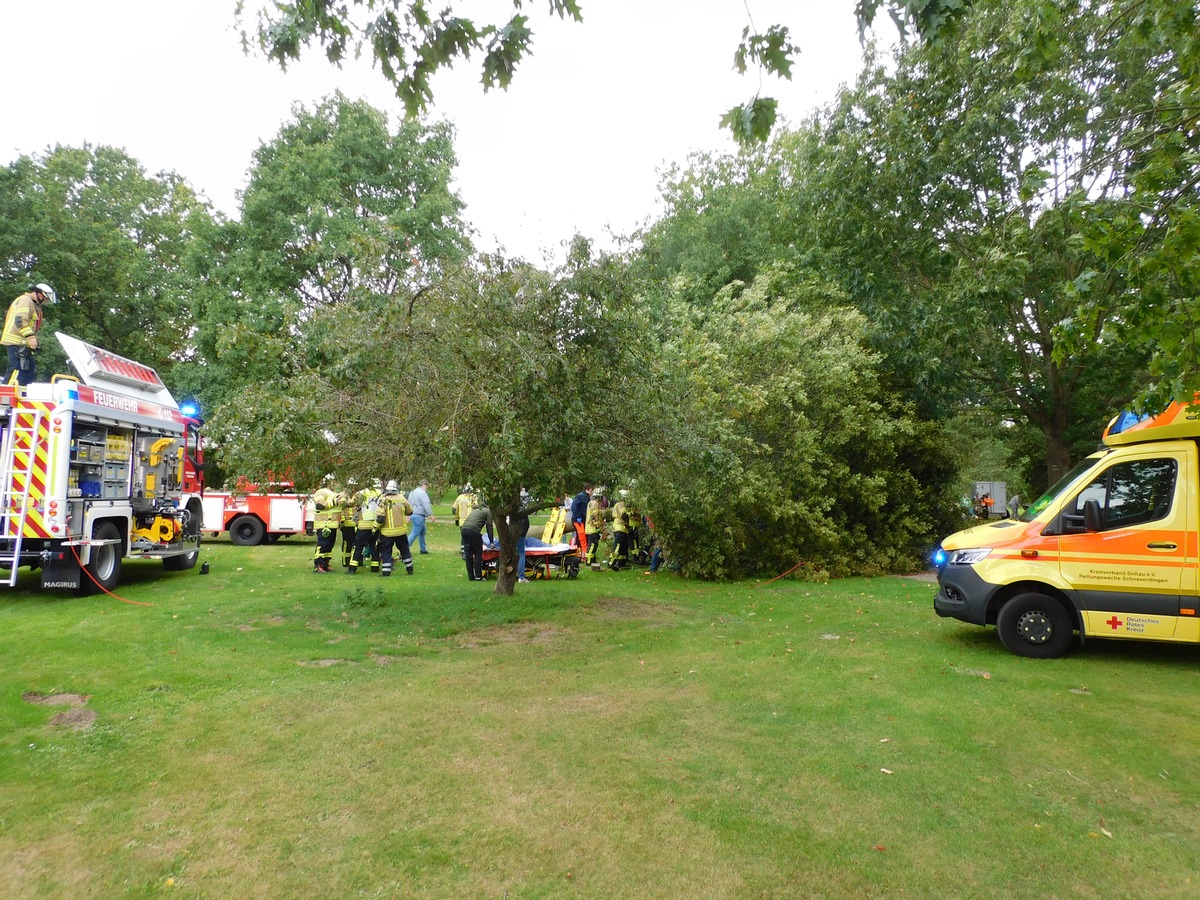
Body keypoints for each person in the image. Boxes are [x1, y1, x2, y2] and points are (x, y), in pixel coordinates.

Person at [3, 283, 55, 386]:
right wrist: (31, 338)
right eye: (45, 298)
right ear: (39, 294)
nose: (45, 301)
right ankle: (5, 397)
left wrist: (33, 340)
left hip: (22, 343)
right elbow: (20, 320)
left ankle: (21, 396)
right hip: (15, 342)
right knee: (16, 370)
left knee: (28, 371)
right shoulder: (25, 300)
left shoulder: (33, 304)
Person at [376, 481, 415, 576]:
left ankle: (386, 572)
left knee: (386, 551)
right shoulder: (402, 498)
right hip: (401, 531)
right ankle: (409, 568)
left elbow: (380, 518)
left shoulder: (383, 499)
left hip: (387, 532)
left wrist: (375, 527)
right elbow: (410, 512)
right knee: (404, 549)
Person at [348, 479, 384, 574]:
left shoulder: (361, 493)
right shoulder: (380, 494)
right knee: (374, 546)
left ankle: (352, 568)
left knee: (358, 546)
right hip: (376, 525)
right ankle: (375, 568)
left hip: (363, 525)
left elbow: (351, 503)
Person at [310, 477, 342, 573]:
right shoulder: (321, 492)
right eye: (335, 482)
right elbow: (320, 505)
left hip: (332, 524)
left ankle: (325, 564)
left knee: (329, 546)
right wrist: (335, 502)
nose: (338, 485)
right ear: (329, 483)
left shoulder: (333, 494)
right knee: (323, 545)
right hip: (324, 524)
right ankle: (318, 565)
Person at [460, 500, 494, 582]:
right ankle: (479, 576)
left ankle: (471, 577)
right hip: (474, 531)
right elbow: (489, 526)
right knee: (478, 553)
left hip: (464, 530)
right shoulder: (488, 511)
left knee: (468, 555)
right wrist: (491, 541)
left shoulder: (476, 510)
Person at [406, 478, 434, 554]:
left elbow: (408, 504)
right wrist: (430, 514)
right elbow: (426, 504)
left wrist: (408, 515)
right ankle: (405, 548)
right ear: (424, 485)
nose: (427, 488)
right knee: (415, 533)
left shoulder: (412, 493)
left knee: (422, 531)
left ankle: (423, 549)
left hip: (413, 514)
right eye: (427, 486)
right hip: (419, 515)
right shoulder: (422, 493)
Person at [452, 483, 477, 558]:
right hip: (473, 521)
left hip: (462, 522)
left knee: (464, 538)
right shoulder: (474, 497)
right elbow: (477, 507)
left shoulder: (460, 497)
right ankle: (472, 552)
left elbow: (454, 510)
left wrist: (456, 519)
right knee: (473, 537)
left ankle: (464, 553)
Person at [570, 486, 593, 560]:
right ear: (586, 490)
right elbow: (574, 507)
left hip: (582, 519)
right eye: (591, 491)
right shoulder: (580, 496)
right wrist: (578, 517)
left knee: (582, 537)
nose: (591, 493)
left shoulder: (586, 497)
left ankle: (581, 553)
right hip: (578, 519)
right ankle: (582, 554)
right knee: (582, 536)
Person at [585, 490, 606, 570]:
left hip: (591, 527)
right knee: (592, 545)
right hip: (592, 528)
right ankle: (588, 560)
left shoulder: (592, 502)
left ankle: (592, 560)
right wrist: (598, 526)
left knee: (594, 544)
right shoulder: (595, 503)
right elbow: (594, 516)